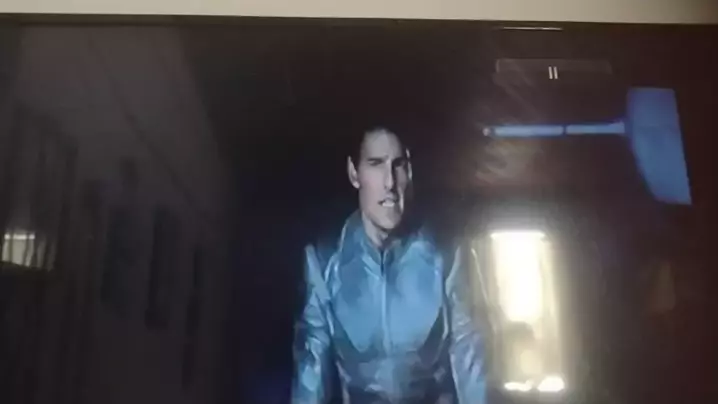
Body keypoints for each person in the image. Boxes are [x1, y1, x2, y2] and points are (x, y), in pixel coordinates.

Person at [291, 127, 486, 404]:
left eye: (398, 165)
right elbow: (311, 372)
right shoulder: (323, 262)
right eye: (376, 164)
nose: (389, 183)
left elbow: (472, 361)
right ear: (354, 173)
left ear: (410, 171)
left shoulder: (448, 256)